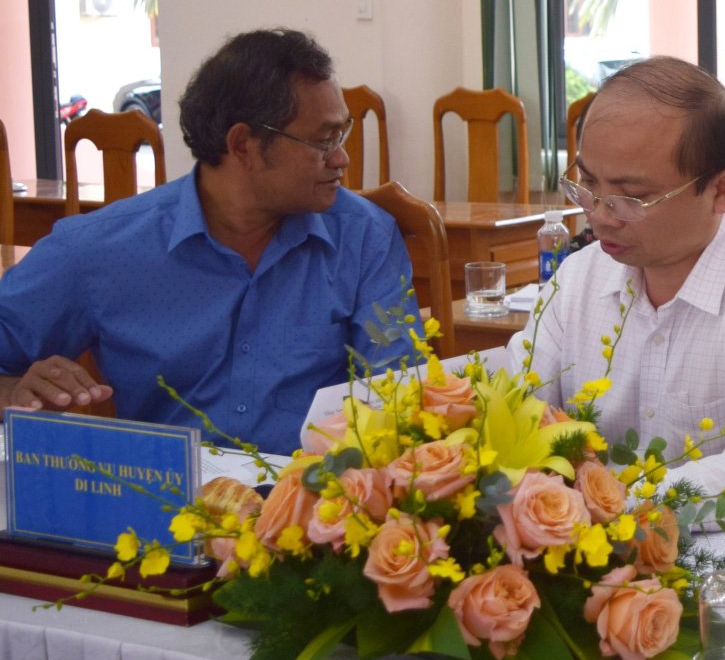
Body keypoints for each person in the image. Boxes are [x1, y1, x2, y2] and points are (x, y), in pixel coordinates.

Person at [0, 28, 416, 454]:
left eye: (341, 136)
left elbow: (398, 395)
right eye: (323, 140)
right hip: (164, 504)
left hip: (317, 502)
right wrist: (14, 389)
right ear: (243, 145)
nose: (341, 158)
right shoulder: (99, 250)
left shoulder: (364, 236)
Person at [513, 57, 725, 521]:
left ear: (721, 191)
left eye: (632, 196)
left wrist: (625, 505)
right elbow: (518, 407)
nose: (601, 215)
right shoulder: (578, 278)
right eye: (587, 184)